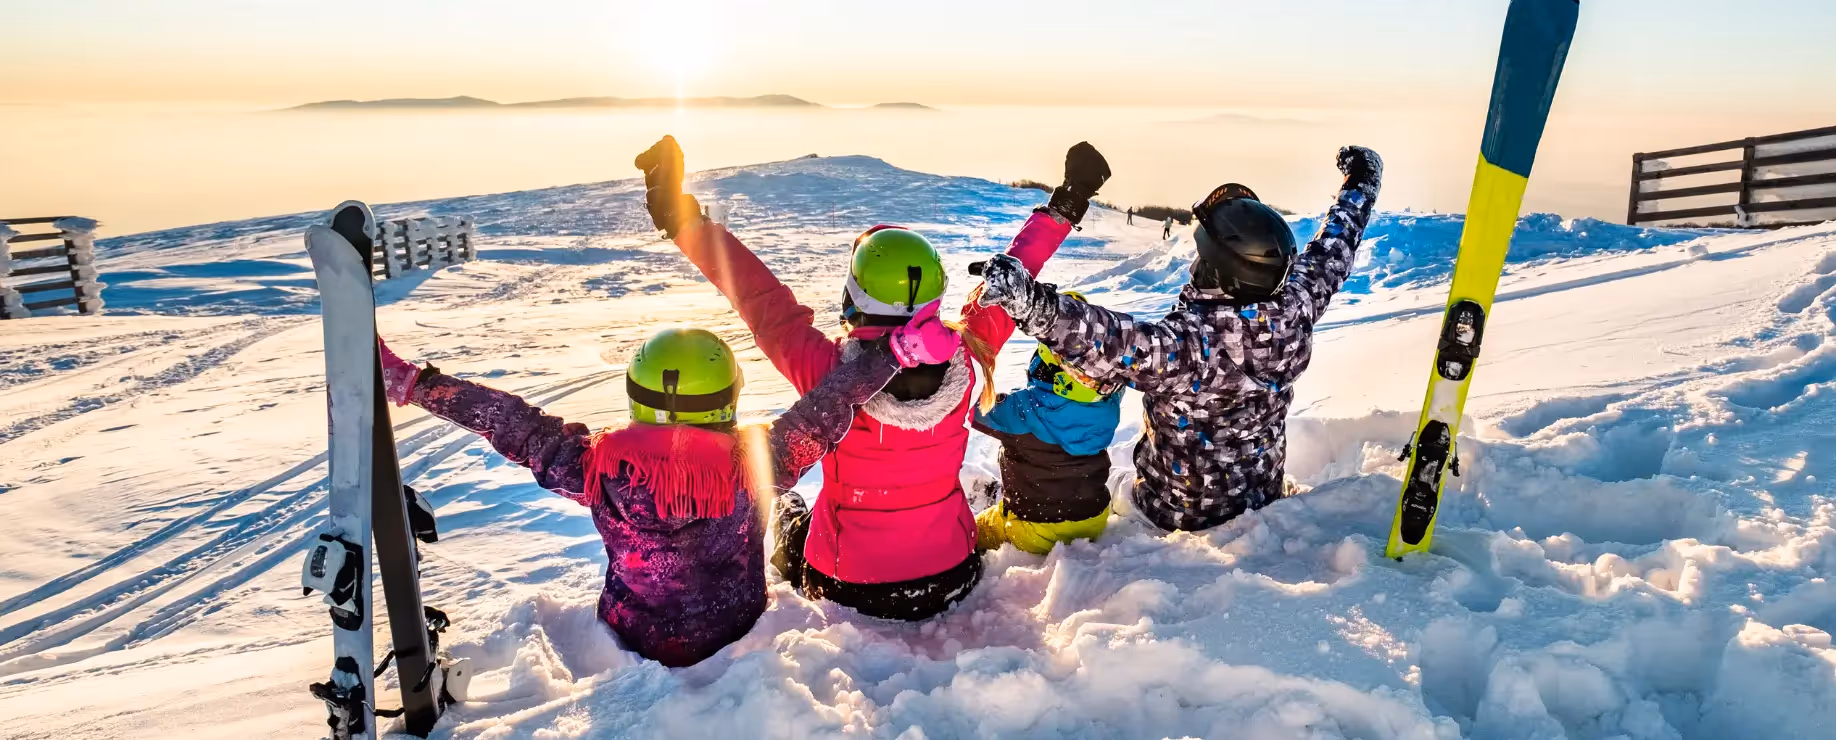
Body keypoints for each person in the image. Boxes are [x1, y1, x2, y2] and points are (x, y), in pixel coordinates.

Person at [635, 135, 1110, 619]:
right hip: (952, 572)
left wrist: (682, 221)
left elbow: (760, 298)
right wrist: (1067, 202)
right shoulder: (968, 354)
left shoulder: (827, 373)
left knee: (789, 512)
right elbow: (1012, 279)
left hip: (848, 583)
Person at [373, 321, 931, 666]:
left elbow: (511, 422)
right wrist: (893, 353)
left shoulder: (595, 467)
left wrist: (416, 384)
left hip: (633, 634)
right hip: (736, 627)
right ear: (727, 398)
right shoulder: (755, 465)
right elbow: (826, 409)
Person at [973, 146, 1383, 533]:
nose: (1194, 264)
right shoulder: (1295, 307)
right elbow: (1333, 251)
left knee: (1102, 495)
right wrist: (1361, 184)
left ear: (1220, 273)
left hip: (1172, 514)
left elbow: (1107, 340)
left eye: (1203, 257)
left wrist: (1029, 302)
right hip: (1261, 497)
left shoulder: (1190, 347)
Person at [971, 291, 1124, 554]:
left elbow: (974, 408)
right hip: (1094, 518)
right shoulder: (1107, 404)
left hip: (1036, 528)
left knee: (976, 530)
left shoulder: (1022, 411)